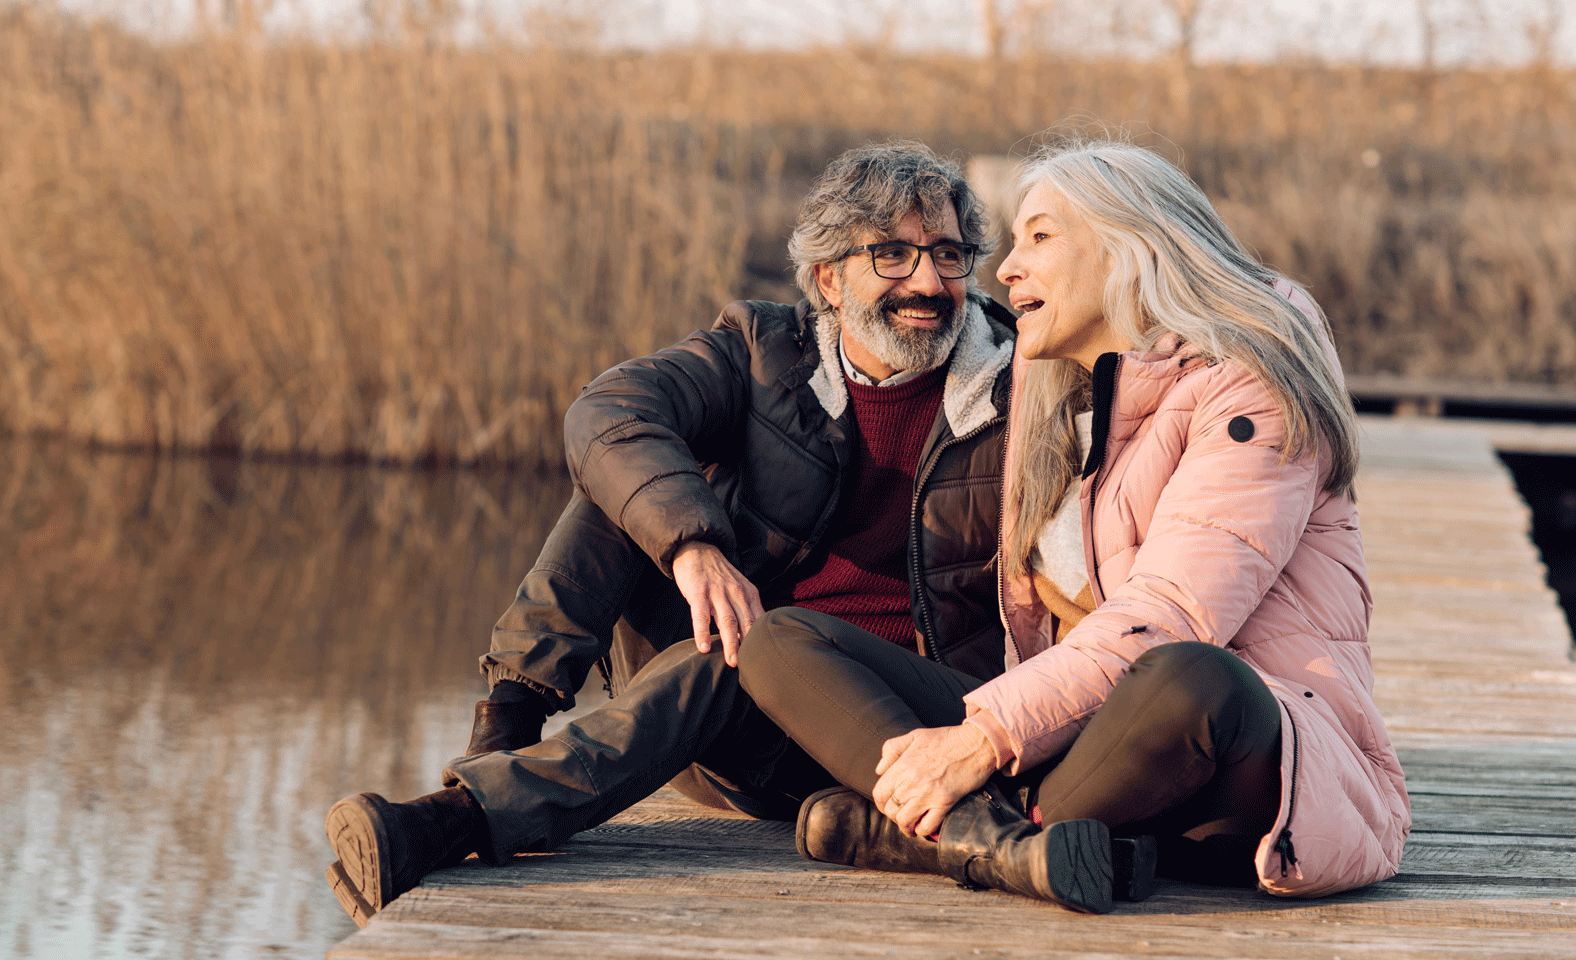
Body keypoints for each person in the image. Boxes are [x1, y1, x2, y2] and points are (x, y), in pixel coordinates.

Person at [323, 141, 1024, 927]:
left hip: (896, 737)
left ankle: (449, 822)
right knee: (633, 478)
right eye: (892, 255)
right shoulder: (764, 352)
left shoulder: (1021, 383)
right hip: (727, 728)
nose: (928, 283)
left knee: (746, 648)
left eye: (949, 255)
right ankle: (506, 726)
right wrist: (693, 545)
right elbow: (605, 412)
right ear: (830, 279)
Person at [734, 137, 1411, 913]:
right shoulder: (1057, 389)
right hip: (1074, 747)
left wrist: (981, 740)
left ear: (1131, 245)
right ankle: (1019, 846)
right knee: (783, 638)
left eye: (1041, 237)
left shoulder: (1252, 385)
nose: (1005, 268)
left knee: (1192, 671)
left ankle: (939, 838)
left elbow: (1169, 617)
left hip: (1236, 765)